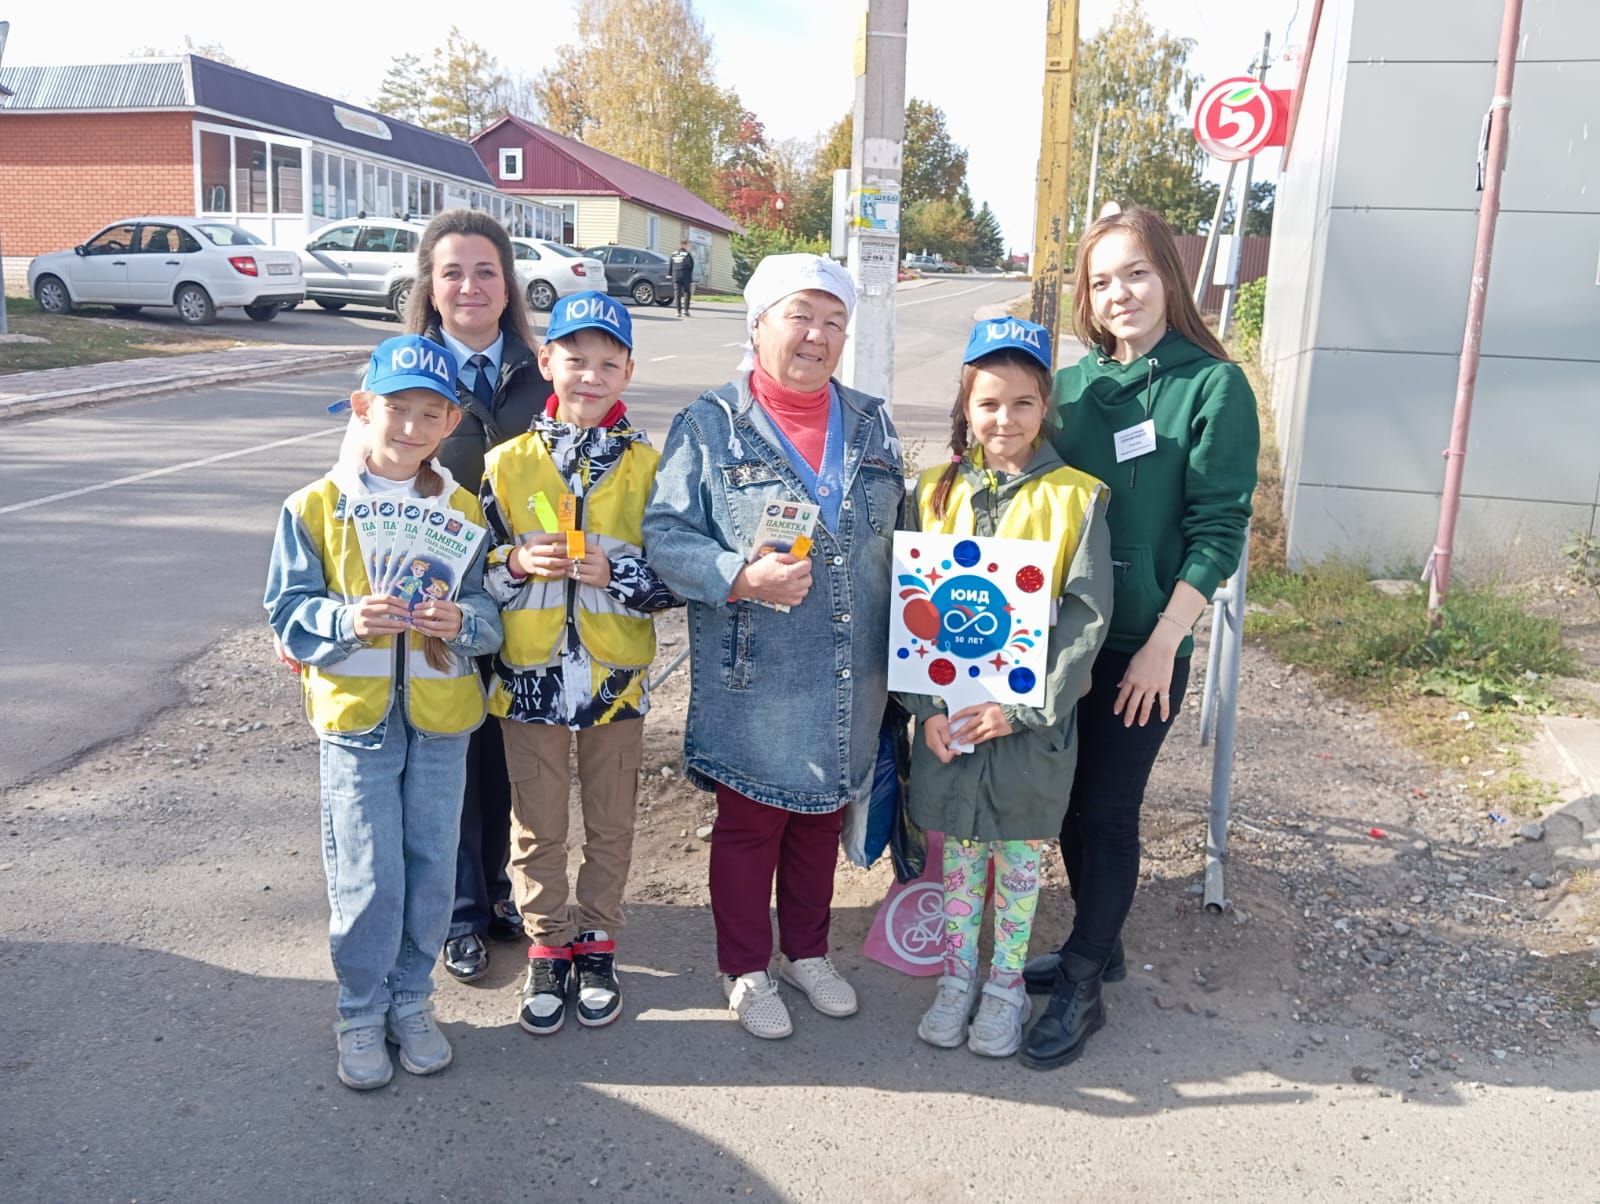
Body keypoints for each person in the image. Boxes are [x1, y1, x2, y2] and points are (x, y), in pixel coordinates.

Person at [1019, 206, 1259, 1070]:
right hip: (1060, 637)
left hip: (1143, 642)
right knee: (1062, 804)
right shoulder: (1073, 387)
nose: (1119, 294)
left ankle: (1084, 978)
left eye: (1137, 274)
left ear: (1169, 279)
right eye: (1102, 279)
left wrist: (1165, 644)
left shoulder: (1213, 387)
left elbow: (1218, 530)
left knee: (1107, 809)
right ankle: (1101, 940)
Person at [643, 253, 904, 1040]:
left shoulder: (871, 422)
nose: (817, 336)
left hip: (850, 670)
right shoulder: (712, 424)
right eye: (801, 316)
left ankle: (808, 951)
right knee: (752, 826)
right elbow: (663, 536)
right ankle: (746, 966)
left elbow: (901, 535)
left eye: (833, 321)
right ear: (758, 326)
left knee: (822, 818)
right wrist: (737, 575)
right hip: (755, 672)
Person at [263, 334, 503, 1090]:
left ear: (450, 422)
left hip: (442, 721)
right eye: (397, 409)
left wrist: (460, 622)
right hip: (356, 723)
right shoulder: (315, 507)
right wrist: (346, 620)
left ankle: (411, 998)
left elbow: (493, 617)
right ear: (364, 407)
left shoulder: (463, 510)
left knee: (432, 867)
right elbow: (289, 613)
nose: (410, 428)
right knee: (367, 872)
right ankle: (360, 1009)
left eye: (430, 414)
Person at [899, 317, 1112, 1059]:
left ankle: (1005, 983)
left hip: (1025, 728)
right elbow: (907, 607)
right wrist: (922, 708)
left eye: (1023, 403)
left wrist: (1025, 708)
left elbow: (1085, 617)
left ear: (1045, 405)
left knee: (1019, 858)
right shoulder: (931, 493)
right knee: (957, 849)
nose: (1005, 419)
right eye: (989, 402)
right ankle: (956, 977)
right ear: (966, 404)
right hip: (951, 723)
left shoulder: (1077, 499)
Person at [480, 291, 678, 1034]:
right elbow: (471, 578)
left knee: (611, 822)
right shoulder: (505, 466)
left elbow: (673, 582)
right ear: (546, 363)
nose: (589, 375)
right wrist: (514, 561)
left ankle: (596, 938)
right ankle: (546, 944)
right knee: (535, 827)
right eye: (575, 358)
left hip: (613, 682)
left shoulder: (650, 469)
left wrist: (616, 576)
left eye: (607, 362)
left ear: (627, 371)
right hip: (526, 680)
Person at [405, 209, 555, 984]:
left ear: (509, 286)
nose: (470, 286)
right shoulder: (405, 372)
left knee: (504, 755)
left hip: (530, 601)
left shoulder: (545, 370)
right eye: (453, 271)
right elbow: (360, 479)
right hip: (437, 602)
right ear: (430, 286)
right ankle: (459, 912)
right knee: (450, 751)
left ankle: (500, 893)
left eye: (486, 271)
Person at [670, 240, 696, 317]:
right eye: (688, 245)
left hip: (676, 276)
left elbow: (670, 265)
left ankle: (678, 311)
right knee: (687, 292)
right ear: (684, 245)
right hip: (685, 276)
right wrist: (689, 274)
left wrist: (670, 274)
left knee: (677, 293)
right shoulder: (687, 254)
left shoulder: (673, 254)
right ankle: (686, 310)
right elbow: (691, 265)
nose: (688, 247)